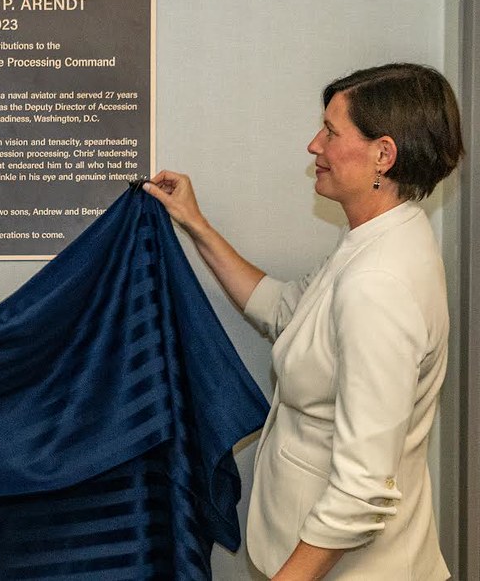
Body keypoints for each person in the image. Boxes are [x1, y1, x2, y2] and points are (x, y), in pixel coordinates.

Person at [143, 63, 463, 580]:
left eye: (332, 132)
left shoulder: (378, 283)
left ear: (383, 154)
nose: (315, 145)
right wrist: (196, 225)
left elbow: (362, 486)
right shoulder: (375, 240)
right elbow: (288, 312)